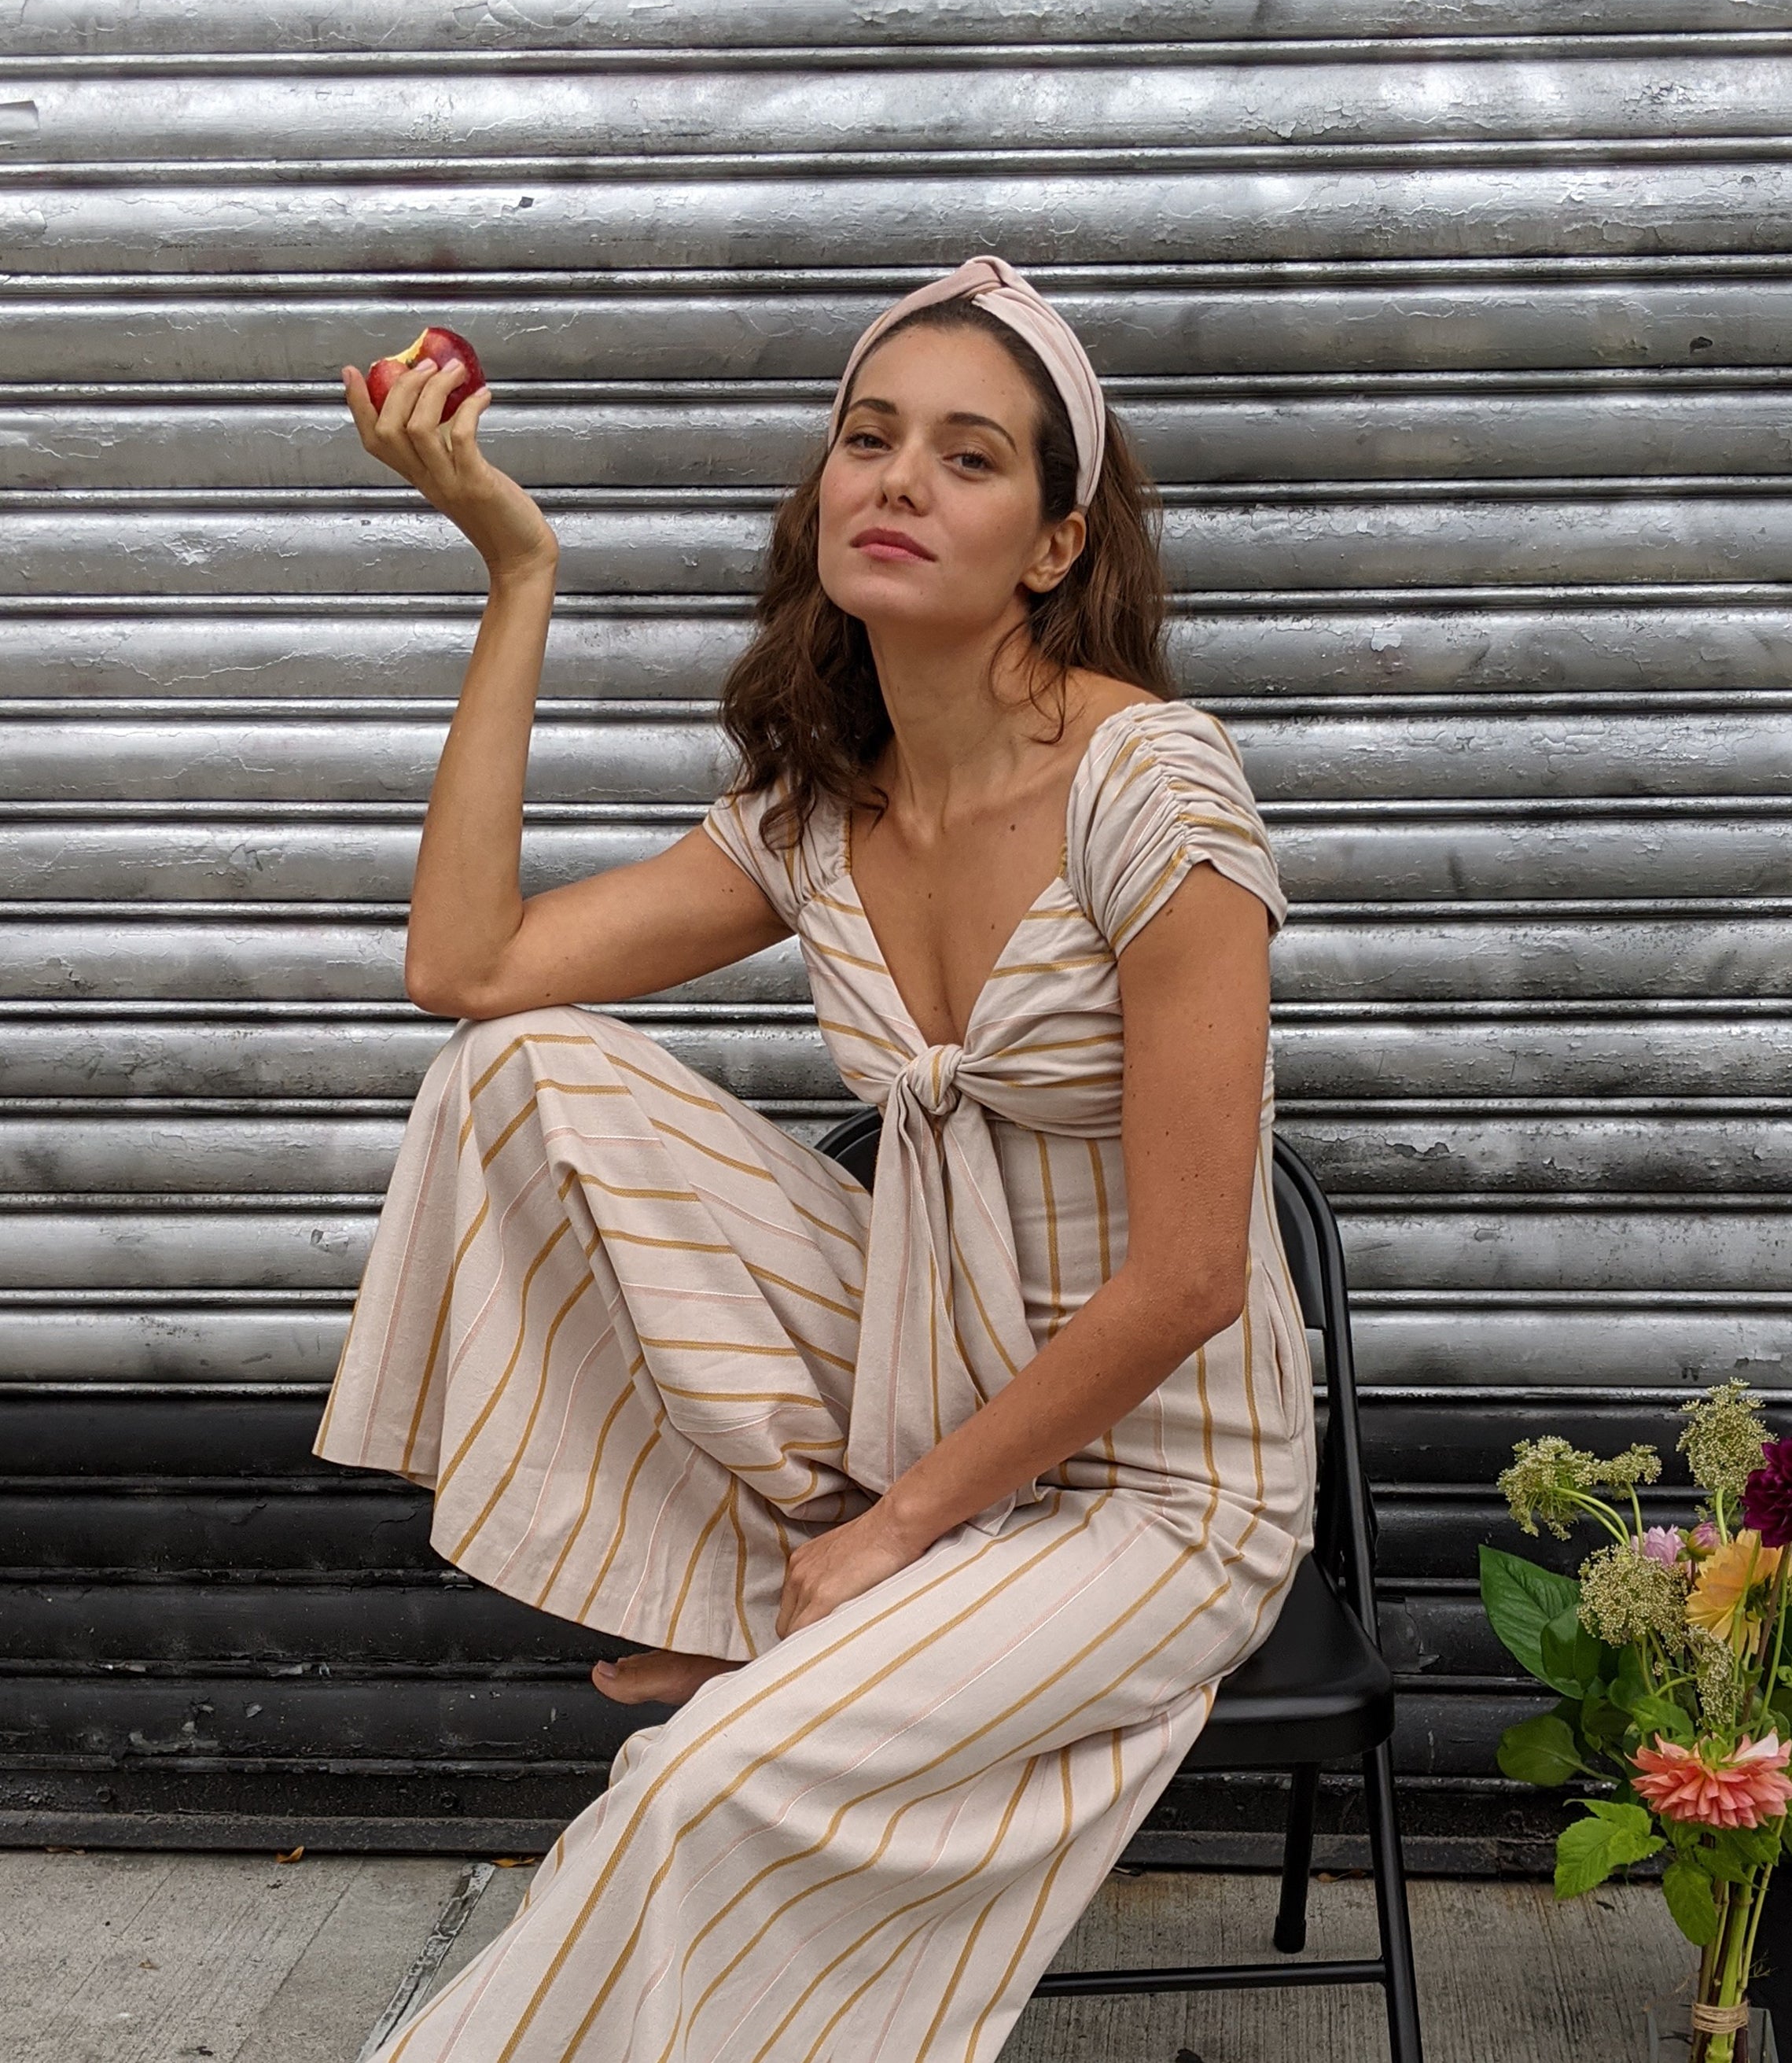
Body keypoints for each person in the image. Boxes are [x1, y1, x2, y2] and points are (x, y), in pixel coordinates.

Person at [316, 255, 1315, 2062]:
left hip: (1163, 1492)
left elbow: (1190, 1278)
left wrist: (897, 1538)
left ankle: (812, 1638)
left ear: (1052, 544)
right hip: (922, 1395)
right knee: (520, 1071)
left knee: (699, 1787)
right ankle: (746, 1599)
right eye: (869, 437)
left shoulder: (1157, 792)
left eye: (967, 454)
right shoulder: (816, 805)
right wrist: (516, 568)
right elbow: (462, 969)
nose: (899, 479)